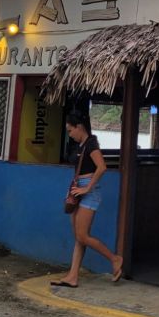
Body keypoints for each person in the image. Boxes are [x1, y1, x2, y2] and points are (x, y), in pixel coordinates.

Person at [51, 114, 123, 288]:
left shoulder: (91, 144)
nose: (70, 134)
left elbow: (102, 167)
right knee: (79, 237)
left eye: (70, 130)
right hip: (78, 188)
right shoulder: (81, 145)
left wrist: (87, 188)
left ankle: (114, 258)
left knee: (82, 235)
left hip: (88, 190)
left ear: (79, 127)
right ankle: (73, 276)